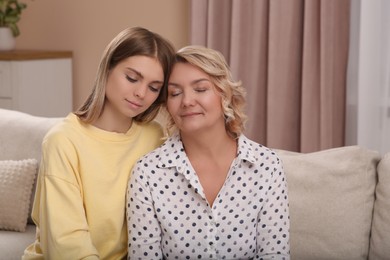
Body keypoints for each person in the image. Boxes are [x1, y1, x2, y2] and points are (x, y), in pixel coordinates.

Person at [23, 26, 175, 260]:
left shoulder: (154, 137)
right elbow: (67, 243)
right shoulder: (63, 141)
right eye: (132, 78)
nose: (141, 93)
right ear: (108, 68)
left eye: (154, 87)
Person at [126, 45, 290, 259]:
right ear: (167, 104)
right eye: (175, 93)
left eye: (200, 89)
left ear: (225, 94)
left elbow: (275, 255)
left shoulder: (267, 165)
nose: (186, 101)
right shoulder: (147, 173)